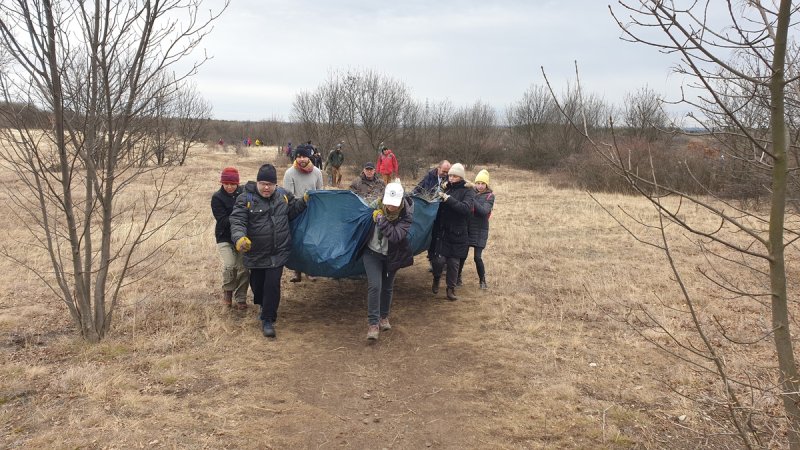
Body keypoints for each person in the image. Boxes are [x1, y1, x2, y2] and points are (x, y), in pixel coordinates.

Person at [229, 164, 308, 338]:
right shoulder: (245, 198)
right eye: (263, 183)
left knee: (272, 285)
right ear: (257, 182)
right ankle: (263, 304)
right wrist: (240, 238)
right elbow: (237, 221)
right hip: (255, 252)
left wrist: (304, 201)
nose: (266, 188)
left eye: (270, 184)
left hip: (278, 252)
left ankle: (268, 319)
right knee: (258, 285)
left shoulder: (283, 196)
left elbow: (293, 211)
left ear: (276, 185)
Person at [360, 182, 414, 341]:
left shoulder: (406, 215)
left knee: (388, 287)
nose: (391, 207)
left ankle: (384, 317)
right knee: (375, 286)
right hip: (372, 253)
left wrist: (381, 220)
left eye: (394, 204)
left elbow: (396, 235)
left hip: (393, 255)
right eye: (388, 203)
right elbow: (359, 216)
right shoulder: (373, 206)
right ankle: (373, 324)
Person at [430, 163, 475, 301]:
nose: (451, 178)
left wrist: (448, 199)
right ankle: (436, 278)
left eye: (454, 176)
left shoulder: (468, 191)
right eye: (449, 175)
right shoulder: (445, 188)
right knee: (438, 261)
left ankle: (451, 289)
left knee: (453, 264)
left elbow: (465, 209)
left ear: (460, 177)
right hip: (443, 232)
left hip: (458, 232)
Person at [283, 143, 323, 282]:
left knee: (311, 241)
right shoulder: (289, 173)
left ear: (309, 157)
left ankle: (310, 270)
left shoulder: (317, 172)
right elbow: (288, 196)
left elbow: (320, 192)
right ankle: (297, 271)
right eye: (298, 156)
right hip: (296, 211)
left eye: (304, 156)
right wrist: (301, 202)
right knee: (297, 241)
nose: (301, 159)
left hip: (312, 211)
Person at [211, 167, 249, 310]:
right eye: (226, 183)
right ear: (222, 183)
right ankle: (228, 292)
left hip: (242, 237)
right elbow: (222, 220)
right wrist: (240, 218)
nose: (229, 187)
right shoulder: (217, 197)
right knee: (230, 265)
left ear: (237, 184)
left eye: (233, 184)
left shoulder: (244, 194)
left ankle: (241, 298)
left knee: (244, 268)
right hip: (224, 237)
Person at [458, 169, 495, 290]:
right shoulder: (470, 192)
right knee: (462, 255)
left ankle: (482, 281)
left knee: (477, 257)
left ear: (486, 184)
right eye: (478, 183)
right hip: (468, 227)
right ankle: (457, 278)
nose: (480, 186)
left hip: (480, 230)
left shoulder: (490, 196)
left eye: (482, 183)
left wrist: (472, 199)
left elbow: (484, 211)